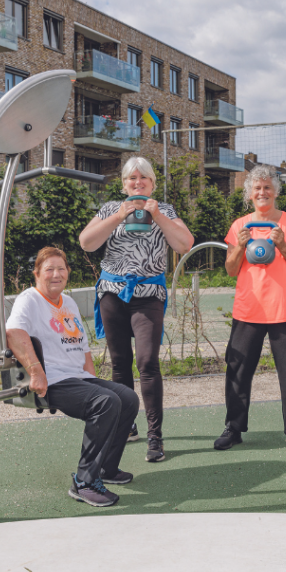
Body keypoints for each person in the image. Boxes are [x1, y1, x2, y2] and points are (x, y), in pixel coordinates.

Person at [79, 156, 193, 463]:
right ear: (124, 184)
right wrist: (118, 216)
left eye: (144, 178)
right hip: (112, 293)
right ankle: (125, 424)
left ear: (154, 184)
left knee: (146, 362)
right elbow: (86, 243)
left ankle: (155, 435)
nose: (137, 183)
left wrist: (157, 215)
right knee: (119, 363)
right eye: (132, 178)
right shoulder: (109, 210)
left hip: (148, 294)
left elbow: (185, 244)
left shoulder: (165, 210)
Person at [6, 247, 139, 507]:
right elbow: (13, 334)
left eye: (61, 269)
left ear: (68, 272)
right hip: (52, 380)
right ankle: (84, 482)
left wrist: (92, 378)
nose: (56, 274)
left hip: (77, 376)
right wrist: (35, 371)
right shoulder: (29, 299)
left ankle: (105, 469)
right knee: (106, 402)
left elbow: (82, 346)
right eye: (49, 269)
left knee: (127, 397)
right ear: (37, 274)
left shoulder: (68, 302)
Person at [214, 165, 286, 453]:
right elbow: (231, 270)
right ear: (249, 194)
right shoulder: (240, 226)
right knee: (238, 370)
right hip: (249, 310)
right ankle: (233, 427)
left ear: (275, 192)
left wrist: (283, 245)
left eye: (267, 187)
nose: (262, 192)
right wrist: (238, 247)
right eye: (257, 188)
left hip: (284, 310)